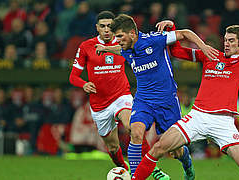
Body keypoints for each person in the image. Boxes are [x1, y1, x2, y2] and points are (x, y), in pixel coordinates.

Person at [132, 0, 239, 179]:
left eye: (232, 41)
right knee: (158, 148)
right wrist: (172, 27)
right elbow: (177, 52)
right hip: (197, 116)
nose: (226, 44)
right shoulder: (211, 55)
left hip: (223, 123)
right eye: (225, 40)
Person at [95, 13, 218, 180]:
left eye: (120, 36)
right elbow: (119, 49)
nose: (118, 41)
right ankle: (135, 176)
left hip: (166, 101)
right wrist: (106, 48)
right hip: (143, 100)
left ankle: (187, 163)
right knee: (136, 132)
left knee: (176, 150)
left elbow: (185, 33)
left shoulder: (154, 40)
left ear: (132, 33)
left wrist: (203, 47)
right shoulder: (125, 48)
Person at [69, 11, 170, 180]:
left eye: (110, 26)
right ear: (97, 28)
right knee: (113, 147)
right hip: (99, 104)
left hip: (121, 96)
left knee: (134, 128)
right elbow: (73, 76)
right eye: (103, 26)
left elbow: (145, 44)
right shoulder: (86, 46)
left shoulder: (123, 42)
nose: (107, 30)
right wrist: (84, 84)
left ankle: (151, 169)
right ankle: (124, 170)